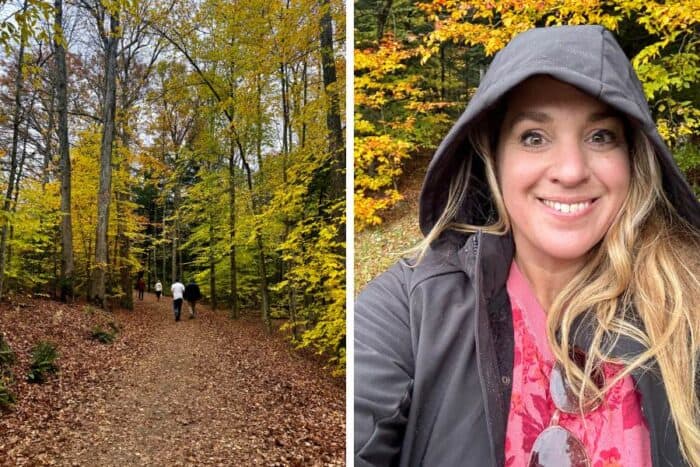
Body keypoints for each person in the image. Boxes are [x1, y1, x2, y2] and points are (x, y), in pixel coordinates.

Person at [354, 25, 700, 467]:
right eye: (534, 137)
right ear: (494, 158)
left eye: (601, 136)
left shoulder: (686, 306)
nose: (571, 170)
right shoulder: (414, 306)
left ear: (633, 157)